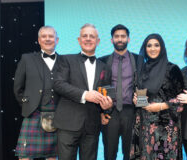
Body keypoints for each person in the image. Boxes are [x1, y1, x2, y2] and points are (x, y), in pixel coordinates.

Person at [53, 23, 113, 160]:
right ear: (79, 40)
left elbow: (107, 95)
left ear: (97, 41)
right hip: (68, 123)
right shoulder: (65, 59)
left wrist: (107, 108)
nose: (88, 39)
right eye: (84, 36)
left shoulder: (105, 67)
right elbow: (58, 84)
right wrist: (85, 95)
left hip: (92, 126)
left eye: (92, 36)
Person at [130, 33, 185, 160]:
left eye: (156, 45)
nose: (152, 48)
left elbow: (182, 99)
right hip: (145, 125)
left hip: (166, 125)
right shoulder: (140, 70)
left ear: (162, 48)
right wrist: (137, 100)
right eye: (149, 45)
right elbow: (140, 94)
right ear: (145, 49)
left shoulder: (172, 69)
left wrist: (161, 106)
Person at [13, 26, 60, 160]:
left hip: (57, 115)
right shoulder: (27, 59)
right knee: (25, 155)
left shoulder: (64, 61)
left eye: (51, 36)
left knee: (52, 155)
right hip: (34, 113)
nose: (47, 39)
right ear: (39, 40)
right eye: (44, 36)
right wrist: (28, 105)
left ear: (57, 40)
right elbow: (18, 87)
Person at [99, 24, 139, 160]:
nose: (120, 39)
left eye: (123, 36)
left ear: (128, 39)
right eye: (117, 36)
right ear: (112, 40)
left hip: (131, 112)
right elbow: (97, 87)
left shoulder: (139, 60)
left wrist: (141, 107)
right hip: (110, 113)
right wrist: (101, 112)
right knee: (109, 153)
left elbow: (143, 84)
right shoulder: (102, 61)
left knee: (131, 153)